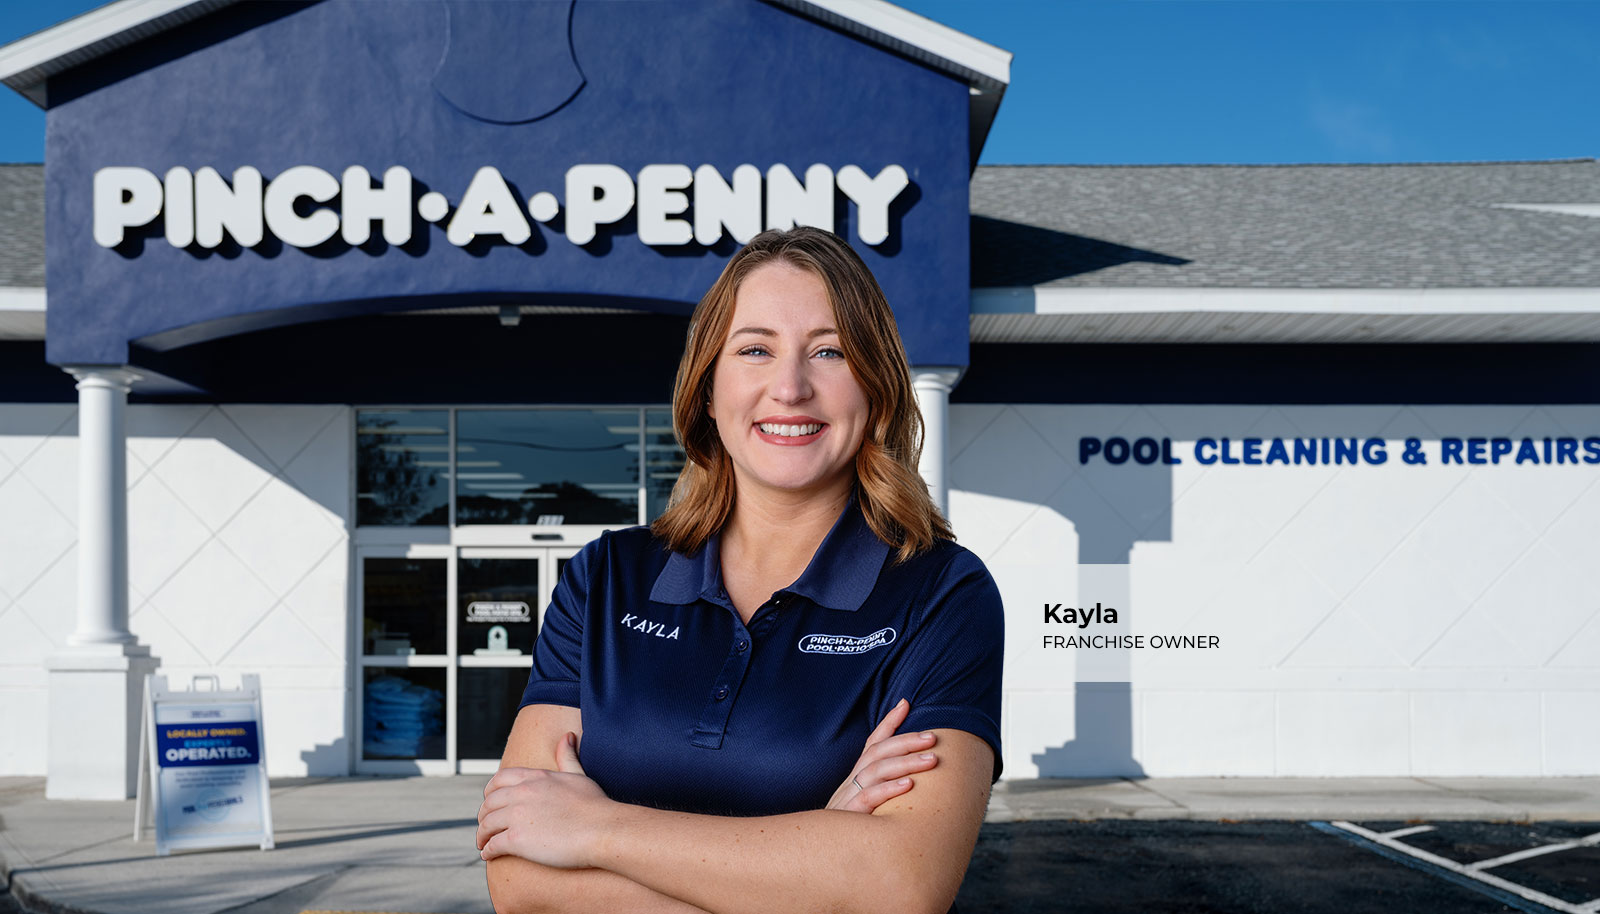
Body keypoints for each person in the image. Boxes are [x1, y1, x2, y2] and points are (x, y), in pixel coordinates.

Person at [475, 226, 1006, 914]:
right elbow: (517, 874)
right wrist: (819, 863)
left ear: (875, 387)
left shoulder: (941, 594)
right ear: (706, 387)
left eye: (830, 351)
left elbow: (900, 883)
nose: (790, 387)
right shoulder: (606, 579)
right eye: (755, 349)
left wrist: (593, 828)